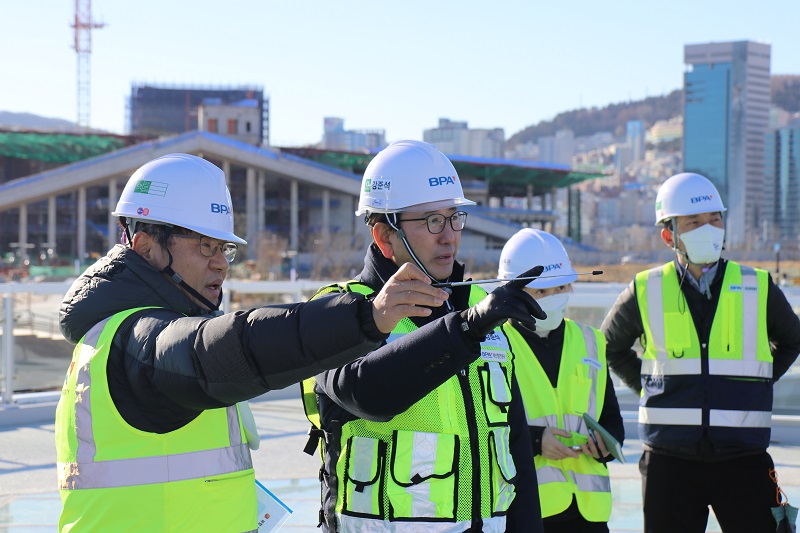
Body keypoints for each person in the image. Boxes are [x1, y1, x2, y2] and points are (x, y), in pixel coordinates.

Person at [55, 153, 450, 531]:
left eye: (223, 248)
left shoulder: (128, 335)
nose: (221, 263)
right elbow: (231, 345)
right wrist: (366, 317)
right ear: (146, 248)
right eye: (205, 246)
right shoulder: (135, 341)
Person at [301, 140, 547, 532]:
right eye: (432, 221)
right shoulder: (338, 310)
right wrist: (466, 328)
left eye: (455, 217)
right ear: (384, 236)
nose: (449, 236)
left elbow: (513, 440)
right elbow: (368, 392)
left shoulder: (480, 304)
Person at [600, 172, 800, 533]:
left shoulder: (756, 285)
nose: (708, 228)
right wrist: (650, 386)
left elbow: (793, 340)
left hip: (745, 457)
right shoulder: (646, 288)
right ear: (669, 235)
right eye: (693, 223)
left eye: (714, 219)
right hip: (669, 462)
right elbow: (610, 346)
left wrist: (758, 383)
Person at [498, 229, 623, 533]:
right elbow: (487, 431)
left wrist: (603, 446)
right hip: (527, 511)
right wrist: (538, 441)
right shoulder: (495, 345)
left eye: (560, 287)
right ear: (514, 292)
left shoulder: (590, 341)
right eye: (541, 292)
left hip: (589, 514)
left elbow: (612, 423)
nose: (553, 298)